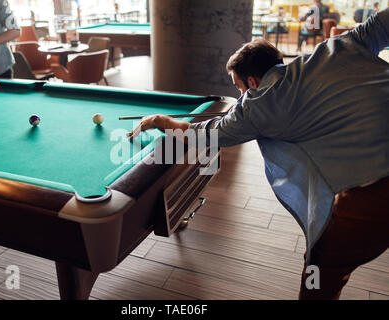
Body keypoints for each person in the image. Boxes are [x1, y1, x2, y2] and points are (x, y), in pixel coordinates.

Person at [128, 8, 389, 299]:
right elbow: (382, 21)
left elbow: (201, 135)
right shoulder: (338, 46)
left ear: (252, 82)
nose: (242, 97)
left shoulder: (258, 103)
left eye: (240, 89)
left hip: (376, 194)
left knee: (320, 270)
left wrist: (161, 121)